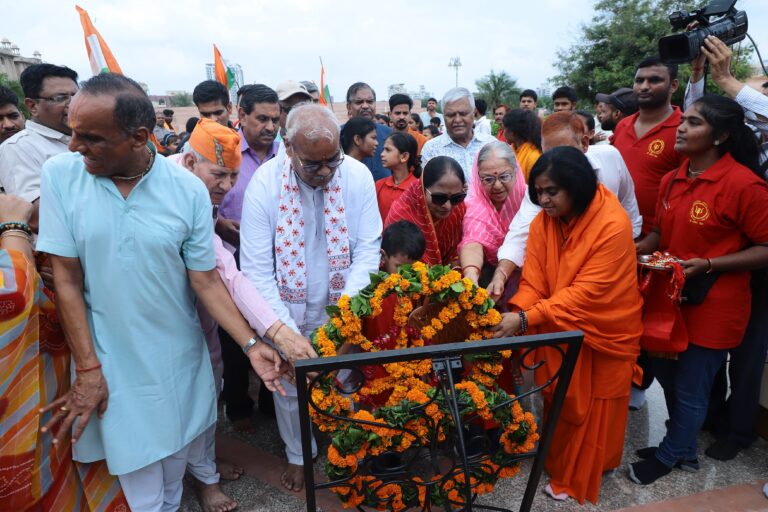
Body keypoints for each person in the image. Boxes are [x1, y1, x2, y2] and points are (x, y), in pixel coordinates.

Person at [36, 73, 290, 512]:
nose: (74, 145)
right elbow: (67, 279)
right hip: (110, 362)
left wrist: (251, 345)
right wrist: (89, 369)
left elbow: (206, 279)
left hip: (178, 362)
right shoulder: (61, 174)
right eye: (73, 132)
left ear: (138, 137)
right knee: (141, 490)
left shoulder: (187, 191)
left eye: (90, 137)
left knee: (172, 480)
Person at [240, 104, 382, 492]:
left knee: (346, 377)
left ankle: (350, 448)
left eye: (331, 160)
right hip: (283, 309)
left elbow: (368, 250)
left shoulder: (356, 176)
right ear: (288, 149)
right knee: (291, 388)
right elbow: (255, 268)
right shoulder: (265, 183)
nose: (324, 173)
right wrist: (283, 331)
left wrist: (343, 320)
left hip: (344, 303)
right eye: (312, 164)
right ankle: (299, 456)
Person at [629, 95, 768, 485]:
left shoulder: (744, 185)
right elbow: (659, 232)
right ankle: (685, 448)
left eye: (693, 122)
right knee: (664, 374)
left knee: (691, 386)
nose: (682, 128)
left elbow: (765, 248)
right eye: (683, 121)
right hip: (669, 299)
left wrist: (708, 264)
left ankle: (670, 455)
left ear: (720, 135)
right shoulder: (673, 178)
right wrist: (633, 248)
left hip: (715, 303)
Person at [178, 118, 315, 512]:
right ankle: (193, 473)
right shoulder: (169, 188)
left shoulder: (202, 200)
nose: (225, 185)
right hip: (162, 310)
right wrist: (276, 331)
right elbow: (228, 273)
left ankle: (205, 473)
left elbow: (225, 275)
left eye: (233, 176)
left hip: (205, 311)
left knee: (209, 390)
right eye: (218, 173)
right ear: (189, 162)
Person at [493, 146, 643, 504]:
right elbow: (535, 281)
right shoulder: (544, 221)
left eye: (551, 192)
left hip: (604, 327)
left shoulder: (612, 223)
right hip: (561, 322)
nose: (543, 200)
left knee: (595, 405)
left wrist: (526, 318)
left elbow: (585, 294)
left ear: (575, 187)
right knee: (560, 398)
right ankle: (560, 461)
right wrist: (512, 314)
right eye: (538, 192)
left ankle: (584, 471)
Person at [0, 194, 129, 510]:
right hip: (16, 405)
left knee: (57, 455)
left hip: (45, 377)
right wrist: (14, 227)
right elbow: (11, 296)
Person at [682, 35, 768, 463]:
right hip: (720, 263)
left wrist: (730, 81)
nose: (756, 100)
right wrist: (700, 76)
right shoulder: (738, 140)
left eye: (763, 92)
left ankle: (739, 430)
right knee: (708, 346)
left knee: (748, 355)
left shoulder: (746, 175)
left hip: (758, 264)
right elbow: (700, 119)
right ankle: (709, 418)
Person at [493, 111, 643, 304]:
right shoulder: (544, 183)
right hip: (563, 287)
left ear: (585, 143)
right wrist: (501, 275)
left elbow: (629, 209)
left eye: (565, 152)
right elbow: (520, 232)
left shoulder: (611, 159)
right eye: (548, 154)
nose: (556, 162)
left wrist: (620, 258)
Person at [613, 56, 684, 410]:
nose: (643, 86)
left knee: (654, 320)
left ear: (673, 86)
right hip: (617, 239)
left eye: (654, 80)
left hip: (659, 245)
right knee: (624, 314)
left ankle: (643, 387)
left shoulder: (684, 127)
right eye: (639, 80)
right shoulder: (623, 126)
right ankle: (624, 378)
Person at [0, 63, 78, 204]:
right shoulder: (17, 147)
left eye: (76, 97)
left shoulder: (89, 137)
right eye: (61, 98)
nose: (72, 104)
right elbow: (35, 214)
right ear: (32, 106)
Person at [458, 141, 526, 293]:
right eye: (488, 179)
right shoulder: (473, 204)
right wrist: (470, 274)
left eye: (504, 176)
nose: (497, 185)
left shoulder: (530, 201)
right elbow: (473, 240)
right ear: (477, 177)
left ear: (516, 172)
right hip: (486, 283)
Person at [385, 156, 467, 266]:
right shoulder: (401, 214)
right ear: (422, 189)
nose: (447, 206)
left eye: (456, 198)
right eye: (439, 198)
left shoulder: (460, 208)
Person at [420, 87, 494, 183]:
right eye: (451, 115)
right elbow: (424, 189)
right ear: (443, 116)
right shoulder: (431, 149)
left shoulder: (491, 144)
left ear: (473, 112)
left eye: (463, 114)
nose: (458, 120)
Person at [346, 82, 391, 180]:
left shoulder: (390, 134)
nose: (365, 106)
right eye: (359, 102)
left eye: (370, 101)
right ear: (349, 107)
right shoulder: (338, 134)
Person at [377, 131, 421, 221]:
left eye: (388, 150)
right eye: (383, 150)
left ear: (404, 156)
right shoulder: (379, 185)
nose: (382, 154)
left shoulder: (418, 189)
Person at [502, 108, 542, 181]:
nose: (503, 133)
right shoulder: (511, 150)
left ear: (512, 132)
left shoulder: (533, 157)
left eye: (504, 129)